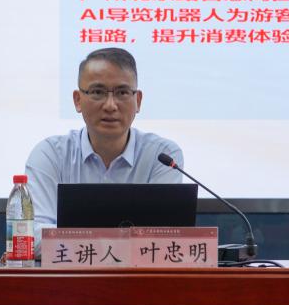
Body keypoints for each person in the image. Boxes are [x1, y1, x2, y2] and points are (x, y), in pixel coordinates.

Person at [24, 48, 184, 246]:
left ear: (138, 101)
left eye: (122, 93)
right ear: (77, 100)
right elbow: (30, 236)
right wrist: (115, 242)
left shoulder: (162, 156)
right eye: (98, 92)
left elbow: (164, 239)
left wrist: (80, 239)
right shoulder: (50, 155)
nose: (110, 105)